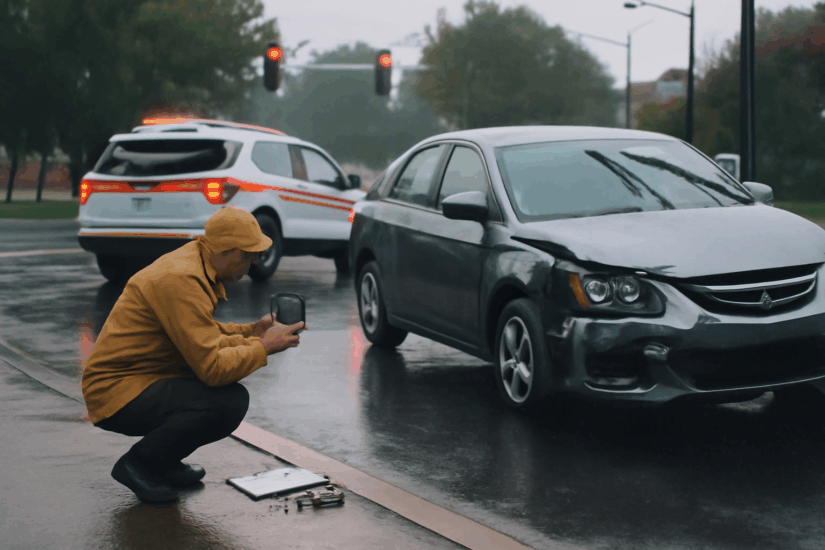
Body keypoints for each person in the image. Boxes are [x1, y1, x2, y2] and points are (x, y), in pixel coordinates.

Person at [81, 207, 306, 504]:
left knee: (219, 395)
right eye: (247, 255)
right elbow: (212, 368)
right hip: (115, 391)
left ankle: (163, 462)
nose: (252, 263)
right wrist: (263, 347)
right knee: (227, 401)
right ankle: (139, 465)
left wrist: (253, 332)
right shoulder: (181, 279)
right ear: (226, 251)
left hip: (140, 378)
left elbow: (201, 334)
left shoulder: (194, 262)